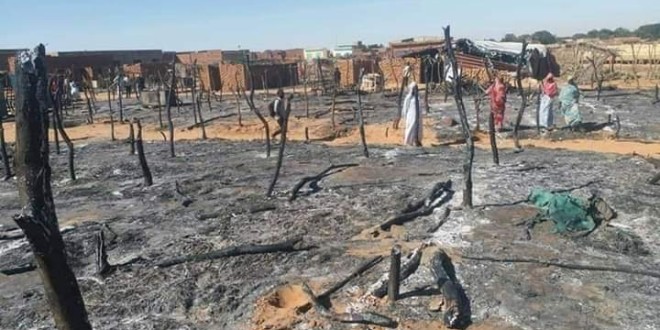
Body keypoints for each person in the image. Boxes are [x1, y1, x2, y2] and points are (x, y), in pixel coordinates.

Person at [402, 82, 422, 146]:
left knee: (418, 128)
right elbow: (405, 107)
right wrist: (405, 115)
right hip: (411, 116)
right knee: (410, 128)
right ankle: (408, 141)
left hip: (418, 117)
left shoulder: (418, 98)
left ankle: (416, 140)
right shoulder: (408, 98)